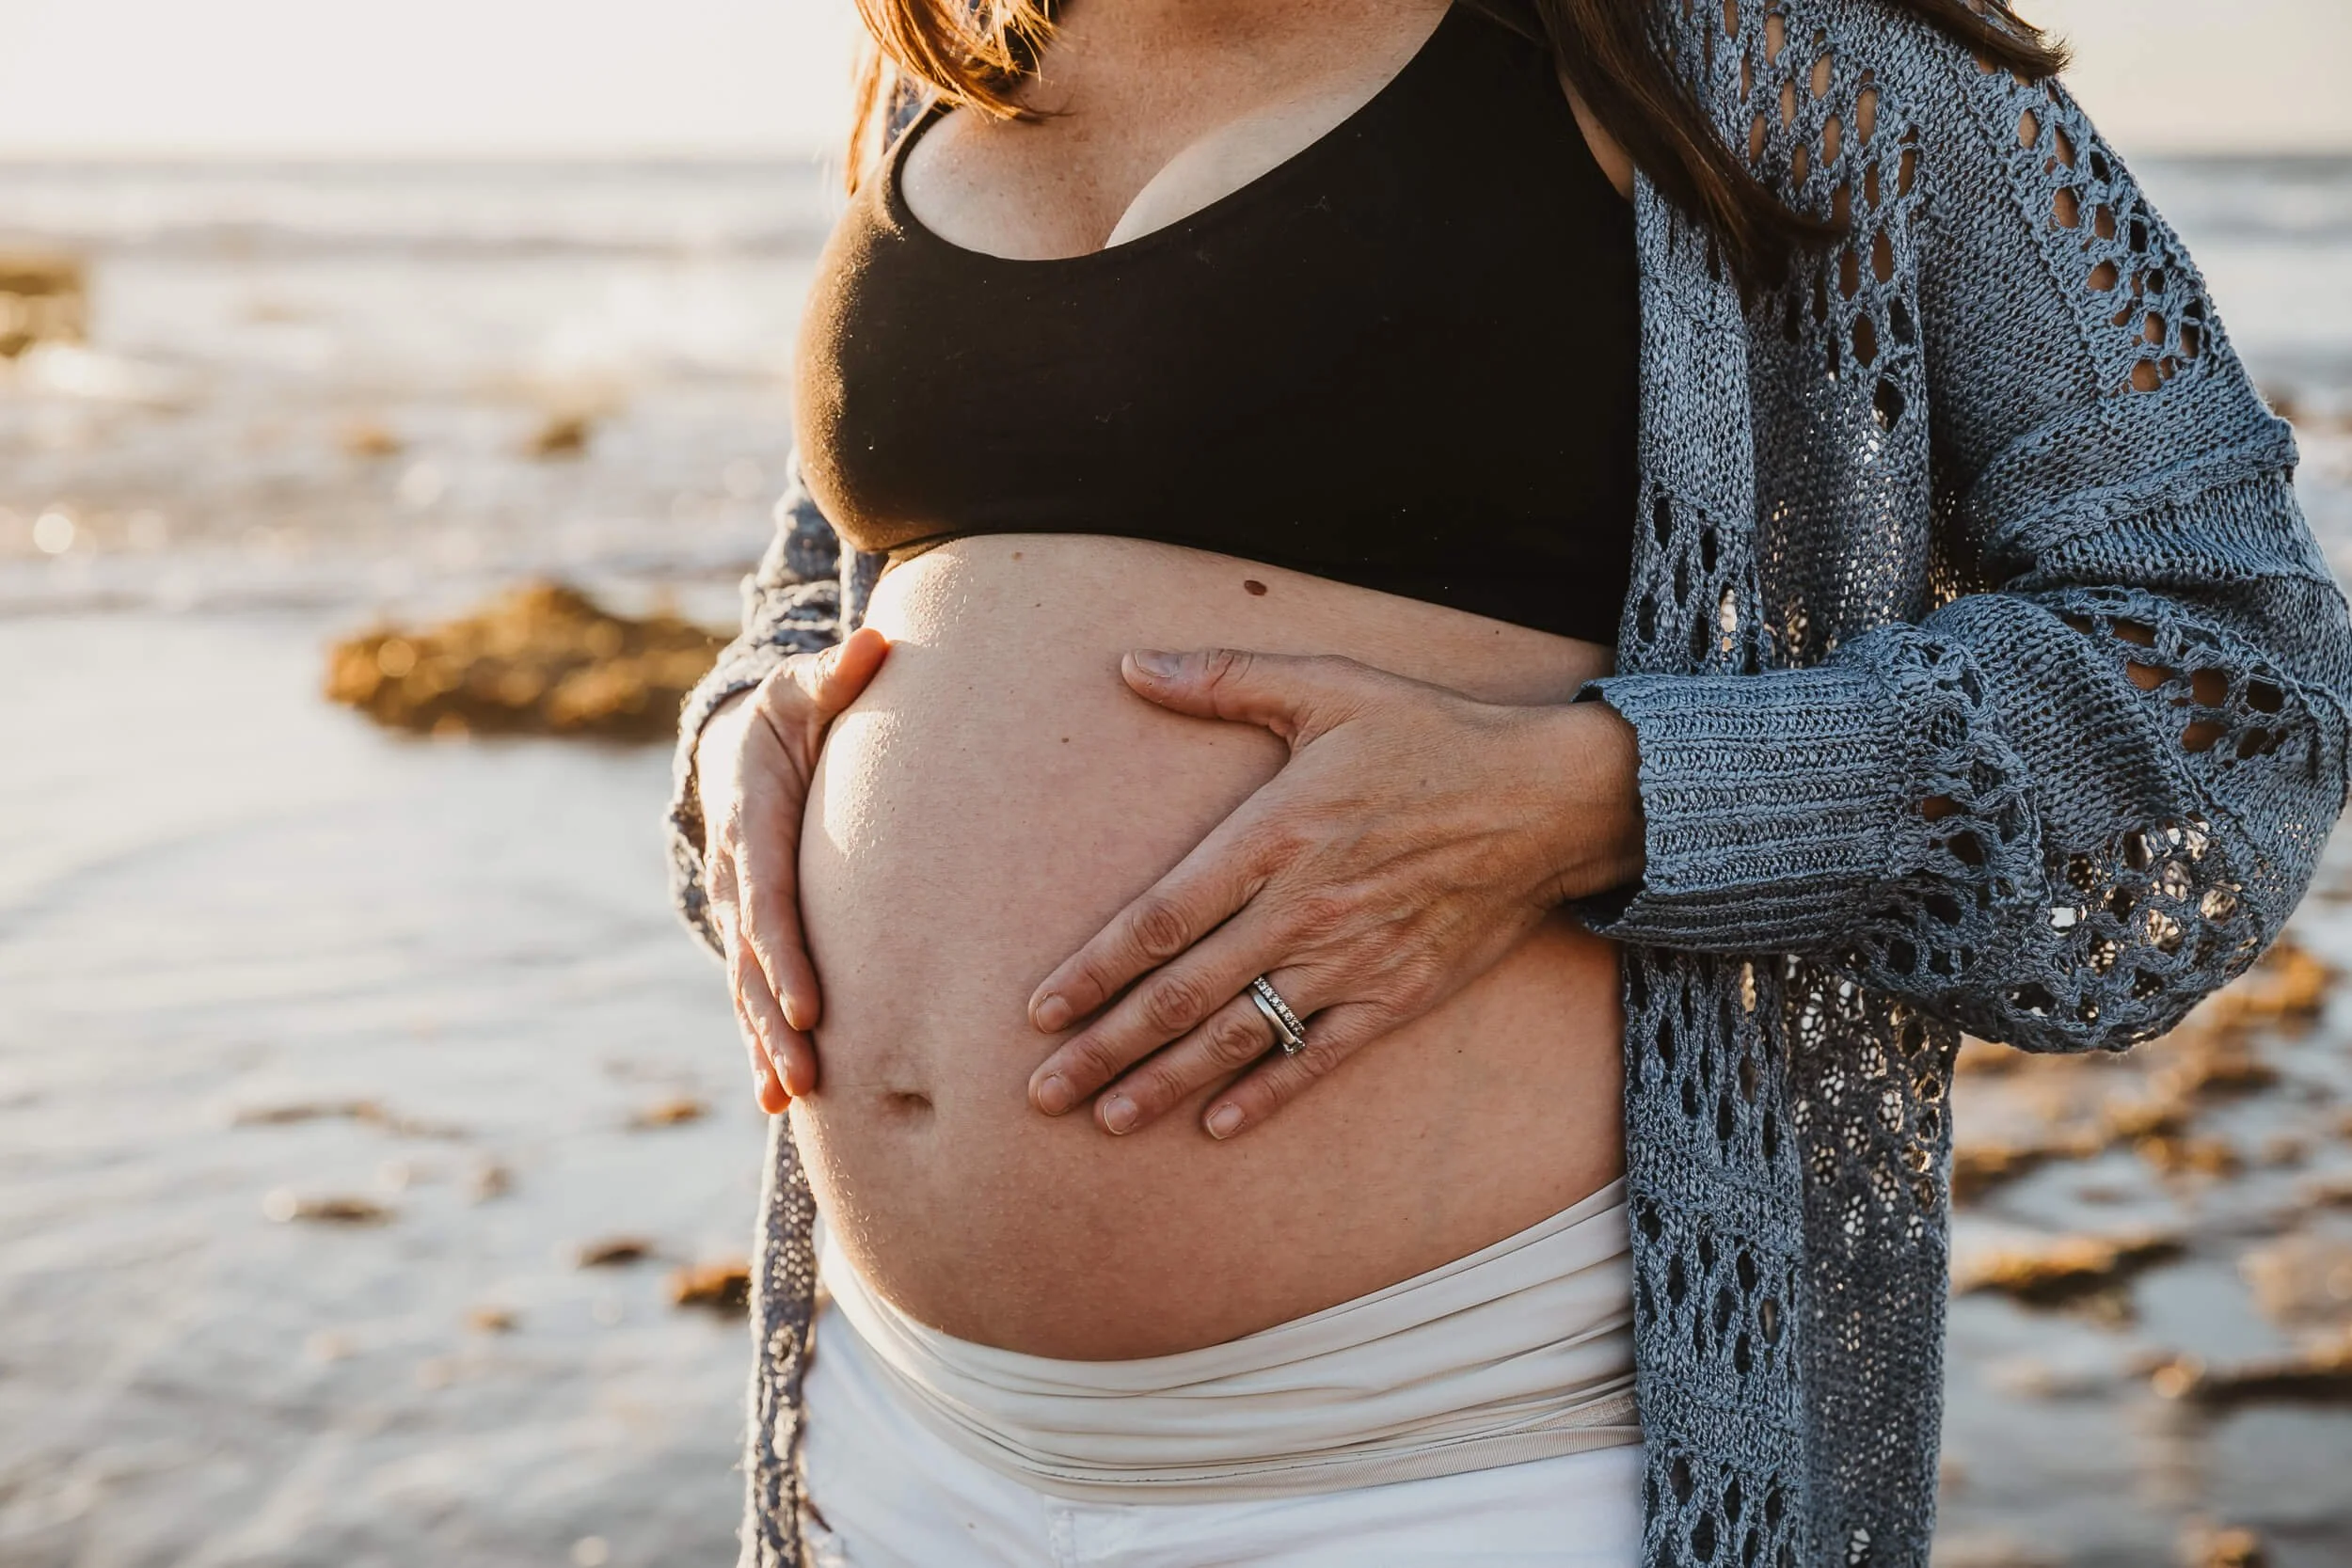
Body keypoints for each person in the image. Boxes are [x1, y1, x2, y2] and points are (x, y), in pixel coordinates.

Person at [667, 0, 2352, 1562]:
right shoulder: (951, 52)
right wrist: (753, 723)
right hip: (889, 1439)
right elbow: (841, 572)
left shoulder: (1799, 63)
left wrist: (1610, 791)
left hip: (1471, 1449)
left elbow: (2242, 685)